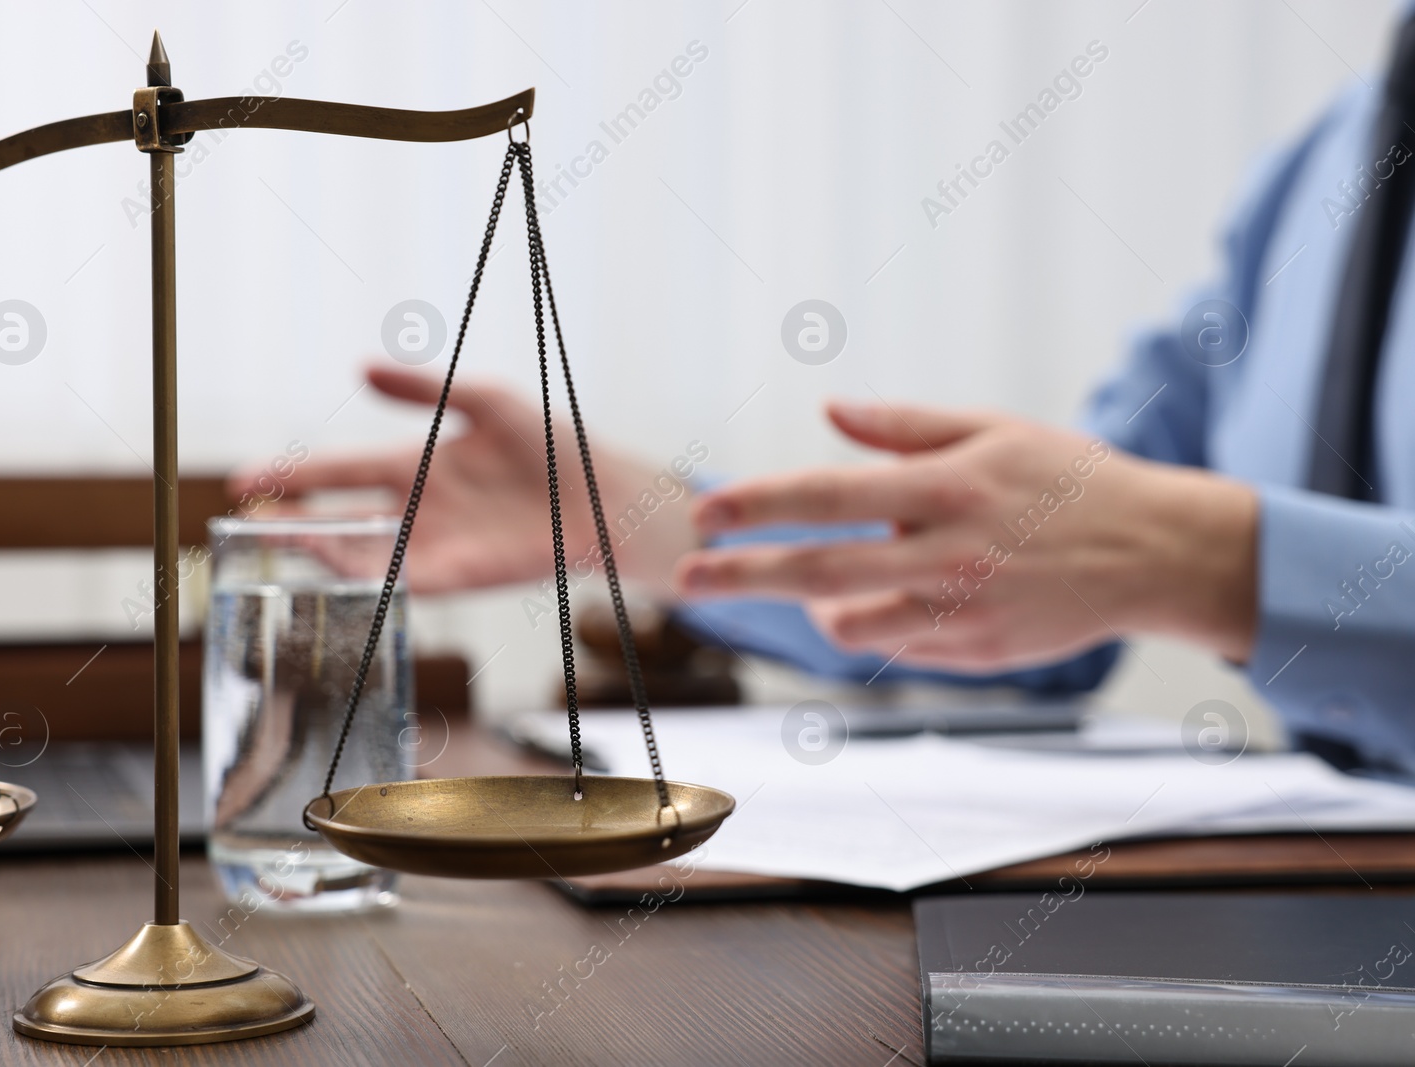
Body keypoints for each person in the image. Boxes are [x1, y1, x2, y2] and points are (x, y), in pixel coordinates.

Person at [234, 16, 1415, 775]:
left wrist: (1210, 562)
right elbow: (1043, 577)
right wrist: (626, 519)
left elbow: (1159, 542)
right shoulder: (1326, 165)